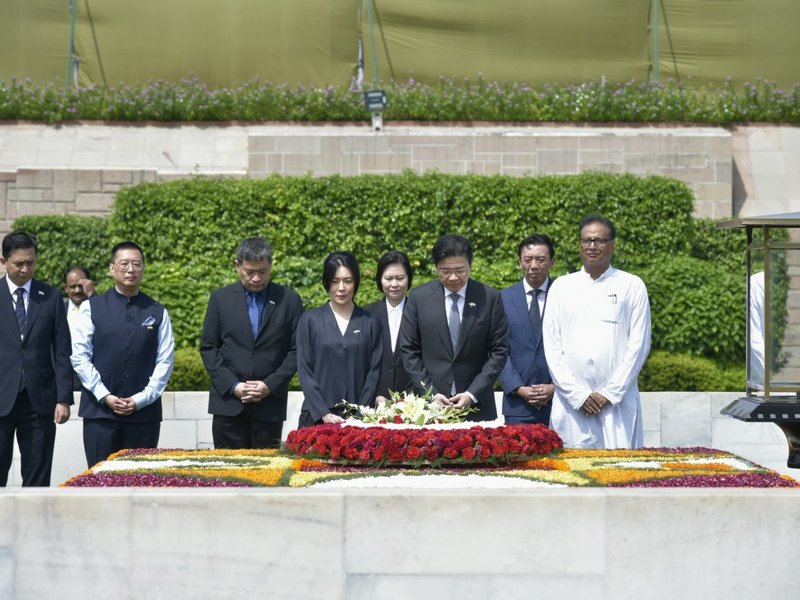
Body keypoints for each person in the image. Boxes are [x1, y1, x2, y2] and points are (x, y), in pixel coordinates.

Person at [543, 215, 651, 449]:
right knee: (570, 474)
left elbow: (639, 345)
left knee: (621, 474)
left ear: (612, 245)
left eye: (600, 241)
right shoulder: (562, 286)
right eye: (587, 241)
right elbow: (552, 347)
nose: (592, 246)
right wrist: (578, 395)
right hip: (572, 404)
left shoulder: (631, 285)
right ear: (579, 245)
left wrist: (610, 393)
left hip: (616, 404)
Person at [71, 241, 175, 467]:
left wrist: (141, 399)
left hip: (143, 416)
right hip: (100, 414)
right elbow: (80, 357)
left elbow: (164, 361)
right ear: (112, 268)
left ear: (143, 269)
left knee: (140, 483)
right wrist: (104, 395)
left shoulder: (157, 311)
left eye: (137, 264)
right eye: (124, 264)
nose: (131, 269)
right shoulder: (91, 307)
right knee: (99, 481)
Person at [200, 237, 303, 449]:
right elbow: (209, 347)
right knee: (227, 476)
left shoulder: (290, 300)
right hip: (228, 405)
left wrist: (269, 385)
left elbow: (296, 350)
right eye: (250, 272)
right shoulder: (220, 299)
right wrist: (233, 385)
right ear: (237, 266)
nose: (256, 278)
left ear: (271, 265)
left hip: (269, 406)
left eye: (263, 271)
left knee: (266, 475)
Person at [398, 234, 508, 422]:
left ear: (471, 266)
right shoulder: (419, 298)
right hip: (429, 408)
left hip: (478, 406)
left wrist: (472, 394)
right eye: (445, 271)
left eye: (460, 270)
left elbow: (499, 351)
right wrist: (430, 393)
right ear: (436, 268)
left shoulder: (489, 297)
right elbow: (409, 349)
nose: (453, 277)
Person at [0, 232, 72, 486]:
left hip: (39, 401)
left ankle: (34, 526)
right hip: (1, 396)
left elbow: (62, 349)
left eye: (30, 262)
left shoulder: (50, 297)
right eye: (19, 263)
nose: (25, 269)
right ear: (3, 261)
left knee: (38, 477)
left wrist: (63, 398)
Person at [296, 252, 382, 427]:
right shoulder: (310, 320)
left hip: (359, 421)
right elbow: (304, 370)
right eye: (335, 281)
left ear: (356, 282)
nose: (341, 288)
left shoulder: (371, 322)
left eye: (347, 281)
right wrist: (324, 413)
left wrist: (358, 414)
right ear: (326, 282)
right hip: (316, 417)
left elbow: (374, 373)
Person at [499, 234, 556, 425]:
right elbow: (497, 350)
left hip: (560, 402)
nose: (534, 265)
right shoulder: (503, 298)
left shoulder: (565, 294)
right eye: (528, 259)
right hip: (517, 405)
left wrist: (557, 387)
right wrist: (517, 387)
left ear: (552, 262)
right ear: (520, 262)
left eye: (540, 259)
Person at [364, 251, 414, 402]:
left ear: (408, 279)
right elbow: (359, 362)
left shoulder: (419, 312)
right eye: (388, 278)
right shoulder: (366, 315)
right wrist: (374, 395)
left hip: (413, 403)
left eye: (400, 278)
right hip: (374, 403)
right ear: (380, 279)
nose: (394, 284)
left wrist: (412, 396)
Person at [64, 265, 95, 391]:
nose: (77, 290)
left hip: (94, 377)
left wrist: (92, 295)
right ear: (65, 288)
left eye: (81, 286)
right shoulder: (58, 309)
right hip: (66, 377)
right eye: (72, 286)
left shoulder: (100, 307)